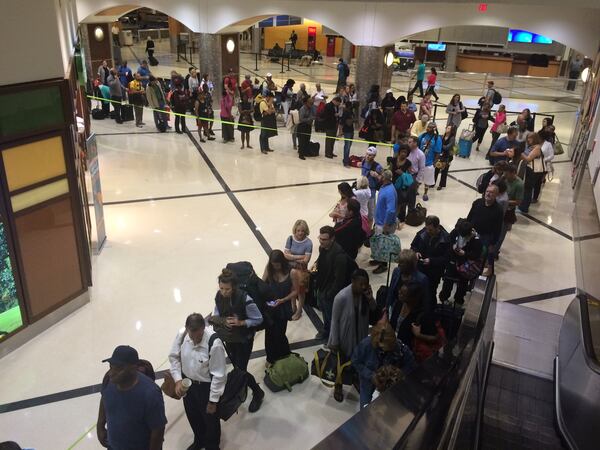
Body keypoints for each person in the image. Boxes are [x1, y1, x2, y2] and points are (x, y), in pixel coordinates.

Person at [208, 269, 265, 413]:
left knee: (241, 370)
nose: (224, 292)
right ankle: (247, 389)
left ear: (234, 287)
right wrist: (222, 321)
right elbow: (216, 313)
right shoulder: (219, 297)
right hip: (229, 337)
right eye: (221, 288)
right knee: (237, 368)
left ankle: (257, 392)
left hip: (244, 339)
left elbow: (258, 319)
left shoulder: (245, 299)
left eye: (227, 289)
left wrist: (241, 323)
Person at [168, 314, 226, 450]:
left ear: (203, 329)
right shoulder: (182, 335)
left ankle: (212, 445)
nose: (195, 340)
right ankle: (199, 441)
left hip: (206, 388)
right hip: (188, 386)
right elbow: (174, 357)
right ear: (187, 329)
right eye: (191, 336)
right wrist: (177, 380)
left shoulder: (214, 342)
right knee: (193, 416)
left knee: (210, 420)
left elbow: (219, 375)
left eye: (198, 336)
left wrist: (213, 401)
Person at [97, 345, 167, 449]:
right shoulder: (109, 379)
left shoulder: (150, 393)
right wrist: (100, 426)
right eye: (111, 367)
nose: (112, 373)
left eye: (118, 368)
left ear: (133, 368)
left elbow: (158, 430)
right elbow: (105, 398)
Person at [328, 269, 376, 401]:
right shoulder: (341, 297)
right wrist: (334, 342)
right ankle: (338, 385)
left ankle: (355, 379)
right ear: (353, 282)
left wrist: (370, 298)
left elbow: (374, 310)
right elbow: (334, 320)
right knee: (341, 362)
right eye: (361, 284)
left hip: (360, 335)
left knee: (357, 360)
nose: (363, 287)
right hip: (344, 338)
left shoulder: (364, 295)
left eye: (365, 284)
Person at [352, 322, 416, 408]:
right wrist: (371, 375)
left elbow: (411, 365)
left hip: (387, 389)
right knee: (365, 409)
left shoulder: (401, 349)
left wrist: (398, 375)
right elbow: (355, 361)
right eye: (381, 347)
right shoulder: (366, 344)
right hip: (367, 383)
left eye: (388, 348)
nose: (384, 350)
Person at [314, 225, 351, 340]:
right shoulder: (322, 248)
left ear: (332, 239)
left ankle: (333, 338)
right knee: (325, 313)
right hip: (322, 287)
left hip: (330, 292)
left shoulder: (339, 256)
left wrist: (330, 294)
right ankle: (326, 331)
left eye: (324, 239)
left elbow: (339, 280)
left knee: (332, 317)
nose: (321, 242)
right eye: (320, 238)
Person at [439, 220, 483, 305]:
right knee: (448, 282)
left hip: (465, 266)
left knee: (462, 285)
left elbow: (476, 255)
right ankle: (444, 298)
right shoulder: (456, 231)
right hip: (453, 261)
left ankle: (459, 301)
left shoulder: (476, 240)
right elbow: (449, 241)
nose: (462, 236)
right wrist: (453, 247)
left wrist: (465, 253)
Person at [262, 250, 295, 365]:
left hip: (282, 308)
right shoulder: (269, 269)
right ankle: (270, 358)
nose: (275, 267)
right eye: (273, 264)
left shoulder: (291, 272)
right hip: (270, 307)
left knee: (279, 334)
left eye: (277, 264)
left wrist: (283, 300)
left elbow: (296, 291)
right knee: (269, 334)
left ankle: (283, 355)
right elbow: (262, 284)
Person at [467, 184, 504, 276]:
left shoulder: (498, 210)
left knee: (484, 255)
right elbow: (470, 217)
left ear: (496, 195)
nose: (488, 194)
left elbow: (498, 228)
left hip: (486, 236)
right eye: (487, 191)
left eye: (491, 192)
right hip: (473, 233)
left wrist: (493, 243)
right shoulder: (477, 202)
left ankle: (484, 271)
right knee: (470, 251)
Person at [410, 216, 451, 298]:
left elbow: (446, 258)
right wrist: (416, 252)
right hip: (420, 269)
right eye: (427, 229)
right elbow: (413, 245)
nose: (428, 231)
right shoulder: (422, 233)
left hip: (434, 273)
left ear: (437, 227)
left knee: (430, 294)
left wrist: (431, 261)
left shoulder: (446, 239)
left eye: (431, 230)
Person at [284, 220, 313, 321]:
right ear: (295, 230)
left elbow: (306, 260)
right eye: (298, 230)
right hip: (290, 269)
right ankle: (293, 307)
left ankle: (299, 310)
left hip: (301, 271)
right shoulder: (290, 239)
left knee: (300, 292)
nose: (300, 233)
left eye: (303, 231)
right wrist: (300, 256)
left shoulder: (308, 243)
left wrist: (292, 257)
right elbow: (285, 255)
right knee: (291, 289)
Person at [372, 170, 398, 274]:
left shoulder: (390, 191)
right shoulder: (384, 187)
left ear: (385, 179)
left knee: (384, 245)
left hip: (384, 223)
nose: (379, 177)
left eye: (381, 176)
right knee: (378, 242)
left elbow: (391, 210)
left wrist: (386, 225)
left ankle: (383, 265)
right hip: (379, 220)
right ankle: (378, 259)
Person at [515, 132, 545, 213]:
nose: (529, 139)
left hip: (533, 171)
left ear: (535, 138)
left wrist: (519, 153)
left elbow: (528, 159)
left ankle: (524, 207)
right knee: (525, 188)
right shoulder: (530, 147)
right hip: (528, 169)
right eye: (528, 138)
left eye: (531, 138)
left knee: (528, 189)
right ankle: (522, 205)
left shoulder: (537, 148)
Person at [498, 164, 524, 252]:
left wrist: (505, 201)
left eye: (507, 174)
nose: (505, 175)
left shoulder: (519, 184)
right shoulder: (504, 178)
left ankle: (495, 252)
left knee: (501, 234)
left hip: (507, 211)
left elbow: (518, 201)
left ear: (513, 173)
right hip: (498, 207)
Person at [417, 122, 442, 201]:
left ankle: (425, 193)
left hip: (429, 163)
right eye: (427, 127)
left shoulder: (437, 138)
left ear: (434, 129)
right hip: (420, 161)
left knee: (427, 180)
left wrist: (434, 162)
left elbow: (438, 152)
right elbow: (417, 143)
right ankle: (416, 190)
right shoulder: (423, 136)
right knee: (418, 178)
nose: (427, 128)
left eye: (430, 127)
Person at [389, 145, 413, 225]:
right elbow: (389, 171)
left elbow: (410, 177)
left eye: (405, 152)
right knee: (392, 202)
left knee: (400, 204)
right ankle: (391, 218)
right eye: (402, 152)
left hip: (402, 187)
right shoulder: (393, 160)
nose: (403, 154)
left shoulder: (408, 163)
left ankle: (398, 220)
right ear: (399, 152)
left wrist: (402, 173)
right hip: (393, 185)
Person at [360, 147, 383, 227]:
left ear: (374, 156)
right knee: (361, 209)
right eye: (366, 154)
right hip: (362, 189)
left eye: (370, 155)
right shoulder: (363, 161)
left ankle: (369, 229)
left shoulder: (377, 166)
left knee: (370, 211)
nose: (367, 156)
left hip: (371, 191)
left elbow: (383, 178)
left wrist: (377, 176)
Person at [435, 124, 456, 190]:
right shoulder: (442, 136)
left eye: (449, 128)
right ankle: (433, 183)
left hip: (447, 157)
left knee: (444, 171)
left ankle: (441, 185)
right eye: (447, 127)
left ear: (451, 130)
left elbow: (447, 147)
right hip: (441, 155)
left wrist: (440, 145)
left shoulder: (452, 138)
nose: (447, 129)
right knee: (436, 169)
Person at [340, 100, 355, 167]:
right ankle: (345, 162)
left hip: (351, 130)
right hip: (347, 131)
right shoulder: (345, 112)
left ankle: (345, 159)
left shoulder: (351, 112)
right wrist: (340, 132)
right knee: (347, 146)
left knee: (348, 146)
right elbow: (342, 122)